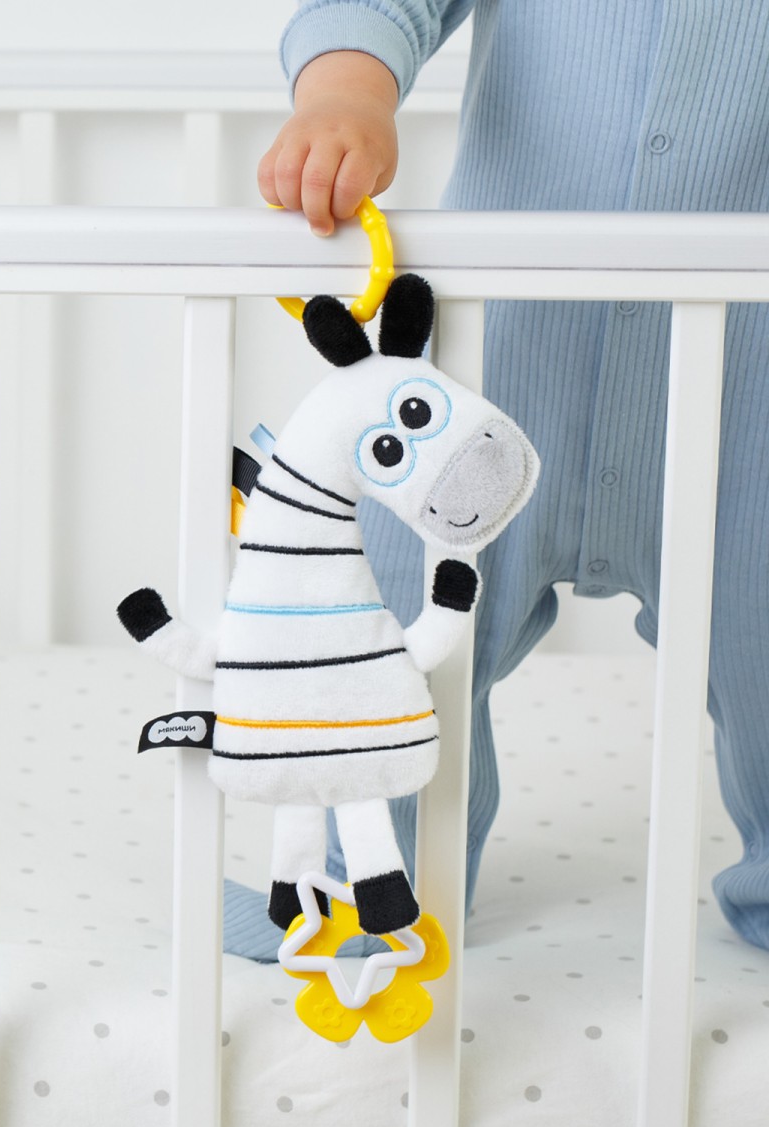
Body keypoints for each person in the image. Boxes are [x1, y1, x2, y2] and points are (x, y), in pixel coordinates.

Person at [223, 0, 769, 962]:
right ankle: (374, 884)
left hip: (746, 392)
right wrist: (347, 95)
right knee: (396, 643)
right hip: (497, 374)